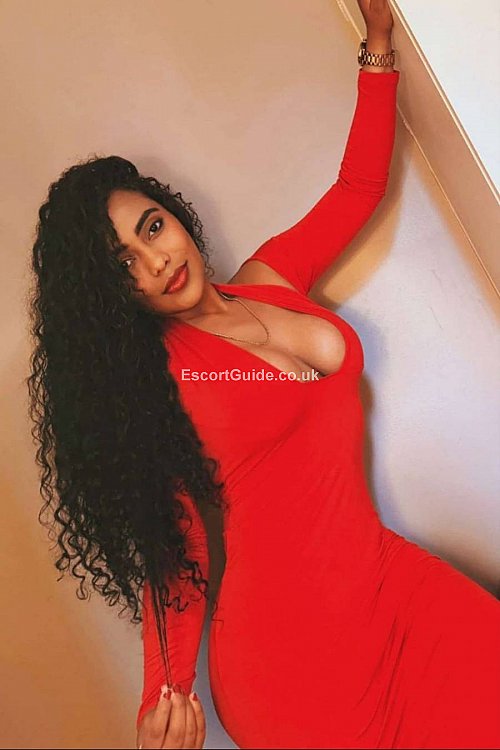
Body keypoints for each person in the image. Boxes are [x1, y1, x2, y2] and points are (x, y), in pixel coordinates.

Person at [27, 1, 500, 748]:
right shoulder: (157, 385)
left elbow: (357, 189)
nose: (157, 260)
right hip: (293, 663)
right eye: (125, 266)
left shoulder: (269, 280)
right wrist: (164, 694)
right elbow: (176, 553)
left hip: (387, 584)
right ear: (114, 298)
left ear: (172, 213)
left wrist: (378, 42)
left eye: (152, 227)